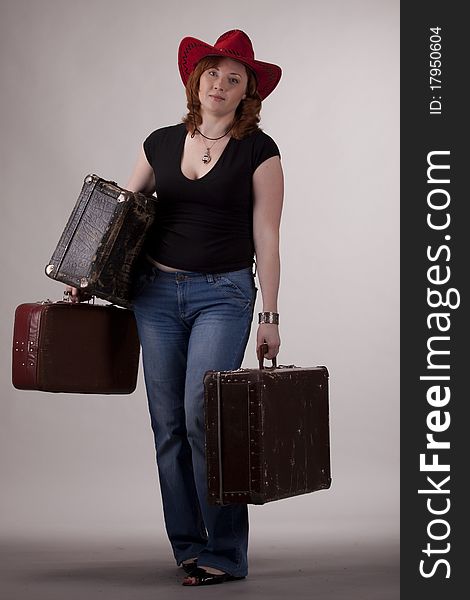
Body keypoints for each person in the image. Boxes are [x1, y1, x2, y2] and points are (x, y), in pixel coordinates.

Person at [68, 29, 283, 587]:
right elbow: (121, 213)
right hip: (156, 296)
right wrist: (84, 276)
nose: (221, 82)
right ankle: (189, 546)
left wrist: (272, 316)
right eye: (213, 72)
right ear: (197, 81)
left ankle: (228, 551)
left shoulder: (260, 151)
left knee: (202, 417)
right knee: (167, 426)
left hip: (225, 294)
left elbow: (268, 235)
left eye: (234, 78)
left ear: (246, 95)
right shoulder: (160, 142)